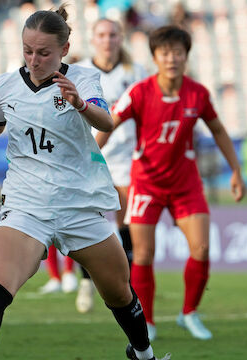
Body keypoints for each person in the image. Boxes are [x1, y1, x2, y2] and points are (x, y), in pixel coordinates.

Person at [0, 5, 169, 360]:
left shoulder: (83, 79)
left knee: (119, 293)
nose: (34, 59)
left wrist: (80, 104)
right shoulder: (5, 86)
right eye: (27, 51)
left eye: (43, 52)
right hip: (26, 206)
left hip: (79, 205)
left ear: (63, 49)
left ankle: (144, 353)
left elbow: (105, 122)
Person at [98, 25, 245, 341]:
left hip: (185, 184)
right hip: (147, 183)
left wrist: (235, 169)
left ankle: (189, 313)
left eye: (178, 52)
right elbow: (109, 122)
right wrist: (92, 156)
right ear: (155, 57)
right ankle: (147, 323)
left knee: (202, 248)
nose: (172, 59)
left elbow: (218, 130)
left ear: (186, 57)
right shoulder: (139, 92)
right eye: (165, 53)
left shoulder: (197, 93)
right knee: (144, 254)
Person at [74, 17, 148, 314]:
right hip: (90, 155)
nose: (108, 40)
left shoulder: (136, 72)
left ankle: (125, 286)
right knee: (86, 220)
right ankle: (84, 280)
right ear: (93, 39)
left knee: (127, 224)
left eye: (113, 35)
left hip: (127, 158)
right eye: (102, 35)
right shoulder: (81, 73)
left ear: (122, 37)